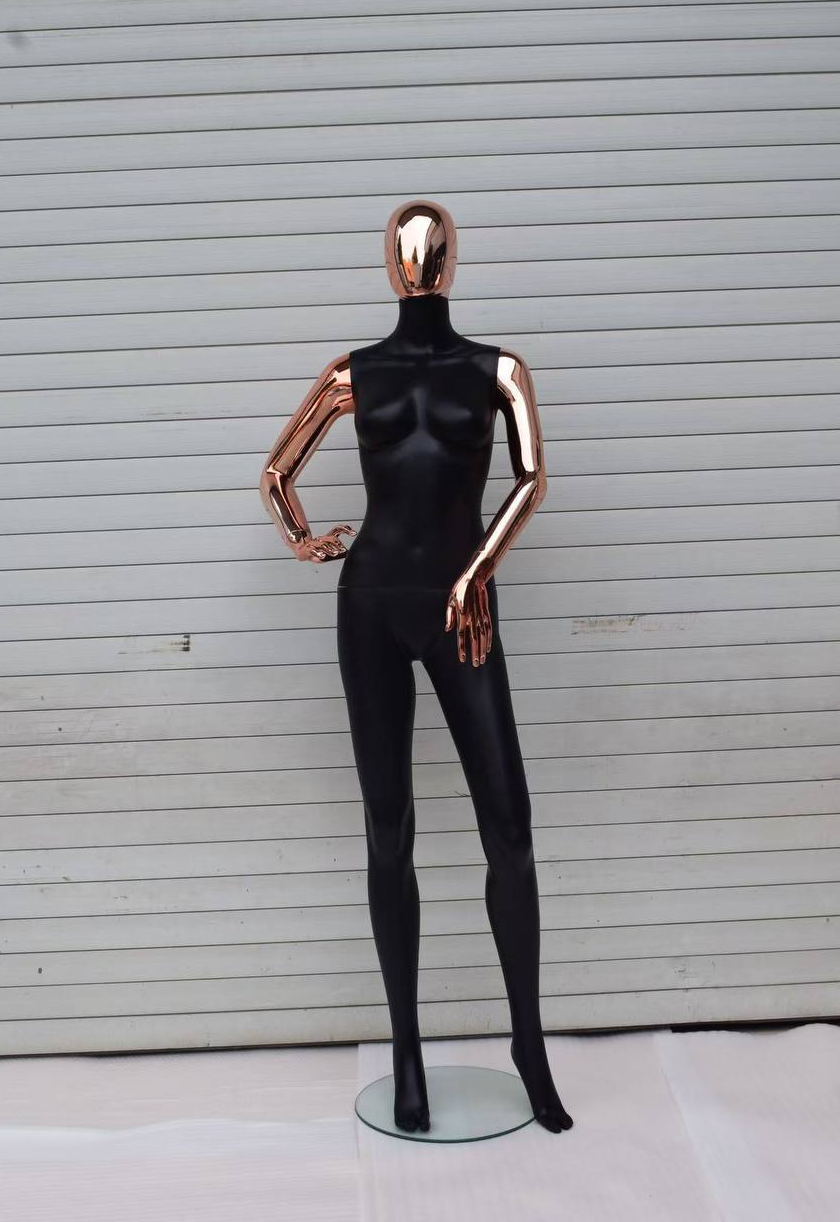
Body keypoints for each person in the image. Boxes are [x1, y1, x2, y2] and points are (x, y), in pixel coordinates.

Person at [260, 200, 573, 1134]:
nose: (420, 262)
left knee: (508, 828)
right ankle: (405, 1053)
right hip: (371, 604)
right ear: (403, 266)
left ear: (439, 264)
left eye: (426, 249)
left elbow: (531, 480)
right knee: (387, 830)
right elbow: (276, 474)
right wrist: (306, 540)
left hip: (458, 607)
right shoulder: (352, 373)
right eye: (413, 249)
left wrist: (475, 572)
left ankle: (528, 1046)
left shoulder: (497, 369)